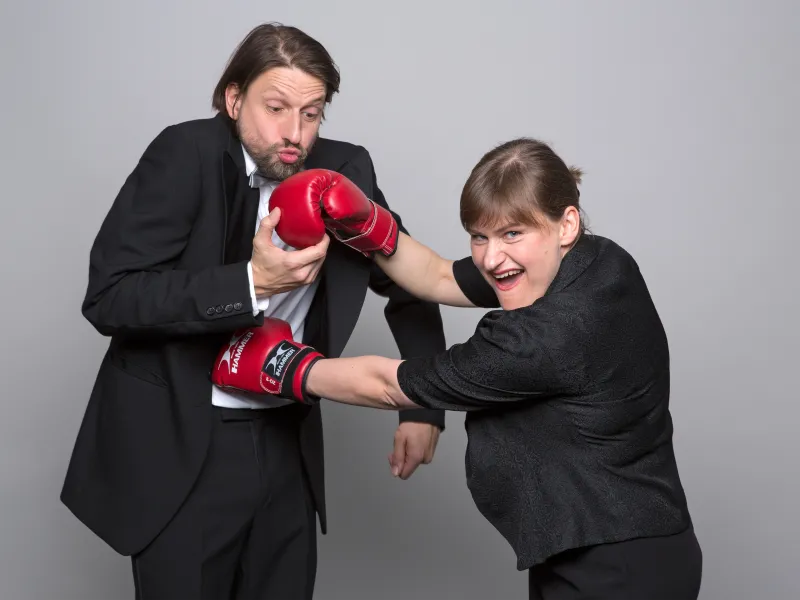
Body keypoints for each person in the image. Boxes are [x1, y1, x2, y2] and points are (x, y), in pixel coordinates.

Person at [212, 137, 704, 599]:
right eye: (479, 236)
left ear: (567, 223)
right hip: (631, 542)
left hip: (614, 567)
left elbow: (390, 386)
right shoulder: (599, 262)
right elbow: (440, 276)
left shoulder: (541, 338)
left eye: (513, 233)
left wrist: (282, 365)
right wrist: (370, 226)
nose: (493, 258)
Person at [60, 22, 447, 600]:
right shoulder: (183, 152)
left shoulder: (345, 170)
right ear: (234, 98)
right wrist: (250, 283)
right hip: (186, 445)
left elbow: (406, 276)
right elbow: (110, 293)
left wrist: (424, 405)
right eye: (276, 107)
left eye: (312, 114)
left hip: (287, 439)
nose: (294, 133)